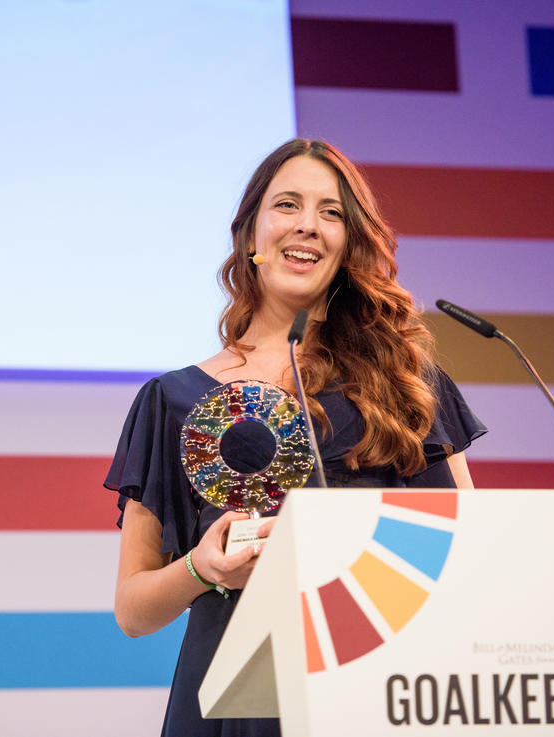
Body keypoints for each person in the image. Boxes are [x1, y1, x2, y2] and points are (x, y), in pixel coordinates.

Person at [104, 138, 486, 736]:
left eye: (331, 213)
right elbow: (133, 608)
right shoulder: (172, 401)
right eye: (287, 205)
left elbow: (472, 549)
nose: (309, 226)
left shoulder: (406, 385)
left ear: (349, 243)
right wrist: (203, 570)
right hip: (241, 705)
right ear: (251, 235)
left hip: (380, 693)